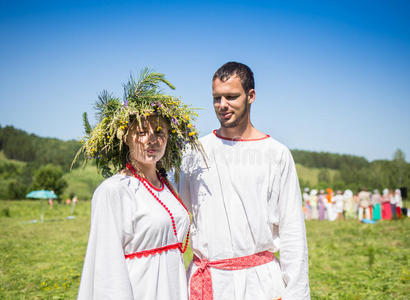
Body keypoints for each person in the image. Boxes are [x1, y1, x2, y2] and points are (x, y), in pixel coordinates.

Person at [179, 62, 310, 299]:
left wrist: (297, 294)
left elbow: (293, 233)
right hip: (207, 282)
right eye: (217, 98)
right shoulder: (195, 152)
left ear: (251, 96)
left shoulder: (276, 154)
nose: (222, 105)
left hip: (259, 284)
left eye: (231, 97)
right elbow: (174, 213)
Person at [76, 70, 203, 300]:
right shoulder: (114, 190)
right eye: (141, 132)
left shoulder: (168, 186)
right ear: (125, 137)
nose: (151, 139)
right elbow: (107, 266)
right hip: (141, 289)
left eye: (160, 131)